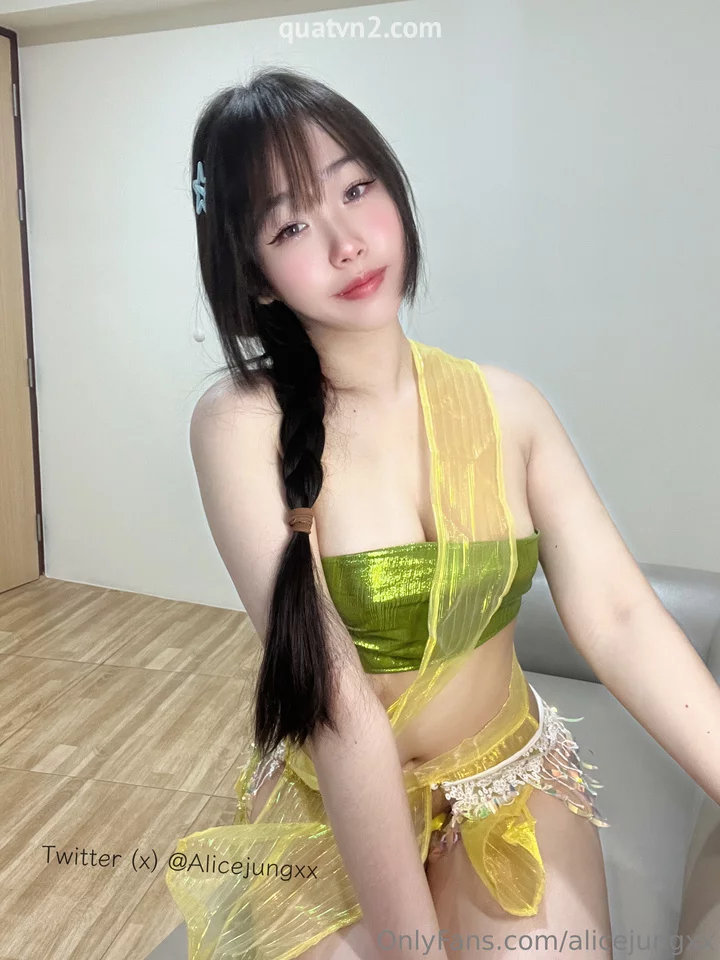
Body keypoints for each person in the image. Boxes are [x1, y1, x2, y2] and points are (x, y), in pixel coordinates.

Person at [166, 67, 720, 960]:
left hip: (509, 775)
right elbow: (333, 695)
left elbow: (619, 616)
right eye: (292, 224)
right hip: (329, 801)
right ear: (255, 275)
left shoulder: (509, 406)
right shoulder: (239, 424)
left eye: (357, 188)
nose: (347, 243)